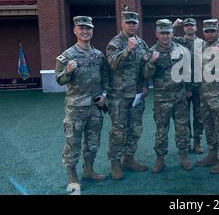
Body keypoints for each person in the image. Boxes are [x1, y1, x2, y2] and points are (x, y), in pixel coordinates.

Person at [56, 16, 109, 186]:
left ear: (92, 31)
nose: (85, 31)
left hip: (95, 108)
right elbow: (60, 80)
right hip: (76, 109)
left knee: (93, 143)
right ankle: (72, 175)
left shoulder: (99, 55)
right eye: (81, 28)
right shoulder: (67, 56)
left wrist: (105, 95)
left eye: (88, 28)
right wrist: (68, 71)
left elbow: (106, 80)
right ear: (75, 31)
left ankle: (88, 170)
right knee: (73, 143)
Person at [144, 19, 193, 173]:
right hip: (162, 99)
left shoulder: (181, 50)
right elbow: (146, 74)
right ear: (157, 34)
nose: (165, 36)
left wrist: (189, 88)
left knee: (182, 129)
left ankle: (184, 156)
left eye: (168, 33)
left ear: (172, 33)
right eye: (162, 33)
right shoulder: (151, 51)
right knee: (161, 130)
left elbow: (188, 72)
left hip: (180, 97)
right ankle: (160, 159)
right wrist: (152, 61)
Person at [106, 11, 150, 180]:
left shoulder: (142, 43)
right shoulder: (115, 43)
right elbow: (112, 64)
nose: (131, 25)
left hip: (137, 95)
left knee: (135, 129)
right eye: (128, 22)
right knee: (118, 131)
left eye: (134, 23)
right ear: (122, 24)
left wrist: (145, 86)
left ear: (137, 24)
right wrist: (127, 50)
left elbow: (145, 68)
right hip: (119, 96)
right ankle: (115, 163)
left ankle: (129, 159)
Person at [194, 19, 219, 174]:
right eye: (207, 31)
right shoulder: (202, 46)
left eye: (212, 31)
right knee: (208, 127)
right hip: (204, 96)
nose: (209, 34)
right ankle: (212, 155)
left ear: (217, 31)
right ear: (203, 33)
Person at [172, 17, 205, 154]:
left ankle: (197, 142)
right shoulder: (178, 42)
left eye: (192, 25)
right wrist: (174, 25)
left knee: (199, 116)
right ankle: (185, 143)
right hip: (183, 86)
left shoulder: (202, 43)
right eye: (186, 26)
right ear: (183, 28)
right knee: (183, 116)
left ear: (196, 28)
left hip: (199, 86)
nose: (189, 27)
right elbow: (166, 36)